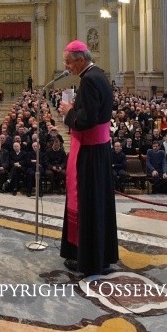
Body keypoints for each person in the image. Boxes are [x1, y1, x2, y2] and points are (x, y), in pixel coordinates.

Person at [58, 39, 117, 276]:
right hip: (98, 150)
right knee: (97, 203)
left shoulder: (89, 80)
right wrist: (78, 109)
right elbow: (93, 112)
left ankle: (90, 259)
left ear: (81, 59)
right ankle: (99, 255)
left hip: (90, 152)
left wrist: (69, 112)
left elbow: (86, 120)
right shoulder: (98, 75)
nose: (67, 66)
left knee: (88, 204)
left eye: (69, 62)